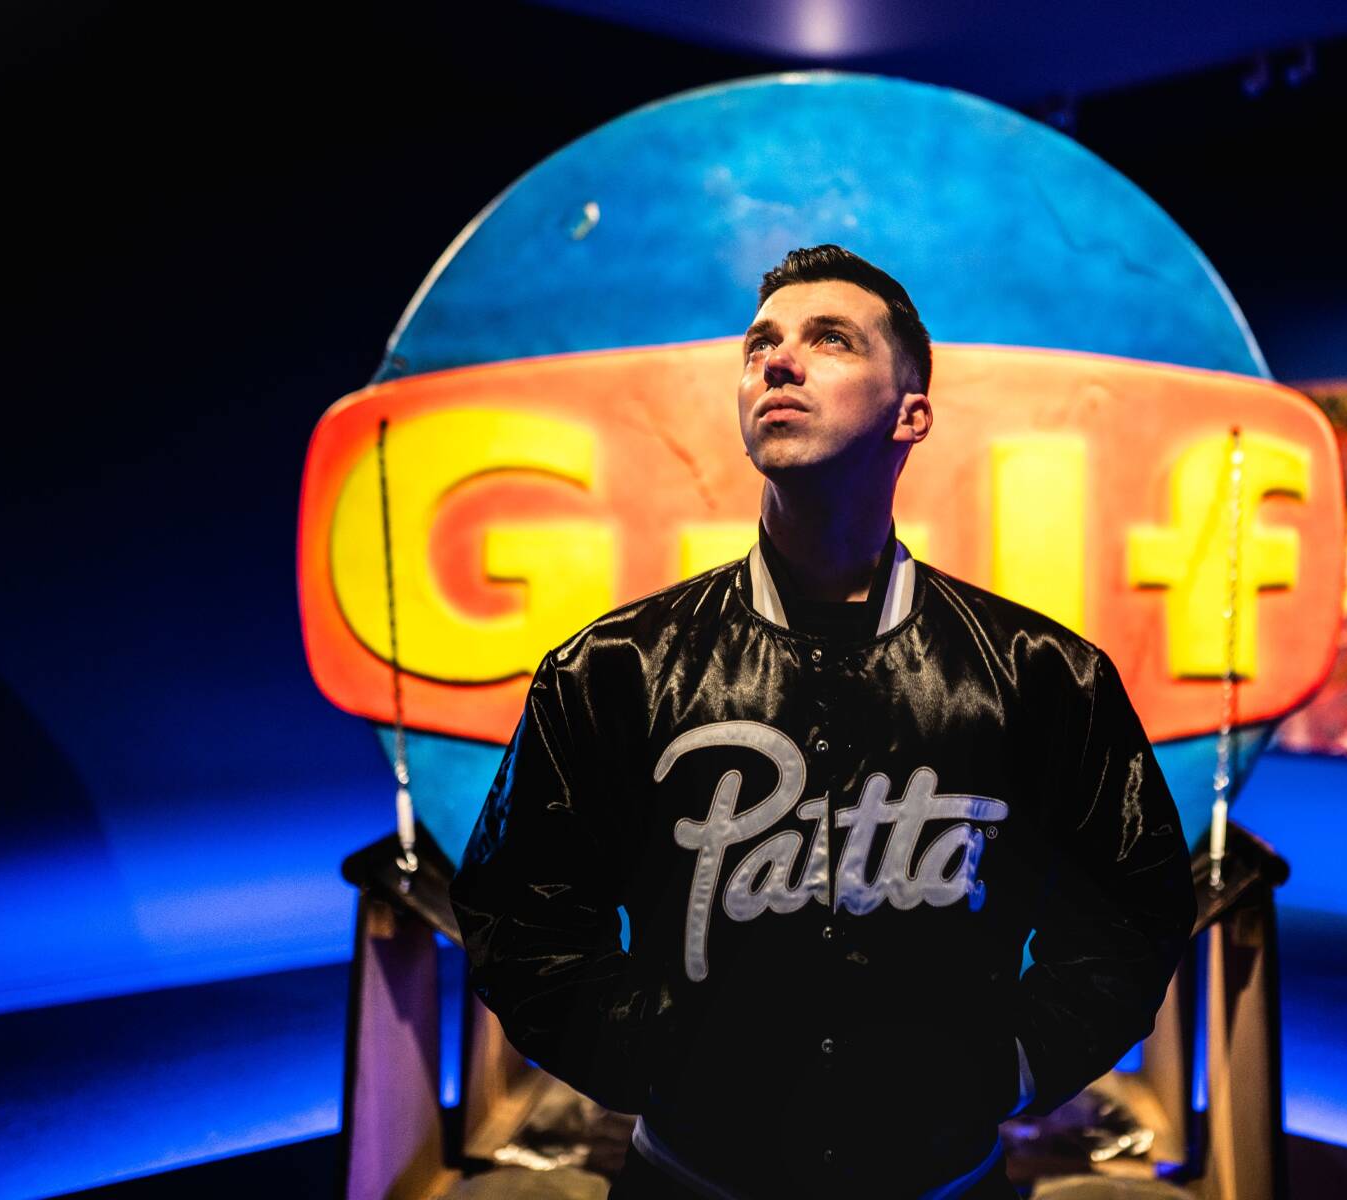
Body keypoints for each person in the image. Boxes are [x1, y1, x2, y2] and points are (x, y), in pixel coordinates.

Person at [450, 245, 1196, 1199]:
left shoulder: (1042, 675)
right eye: (760, 343)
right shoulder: (612, 669)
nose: (779, 361)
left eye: (830, 339)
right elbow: (521, 915)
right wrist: (660, 1061)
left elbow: (1132, 912)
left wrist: (1013, 1064)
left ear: (911, 412)